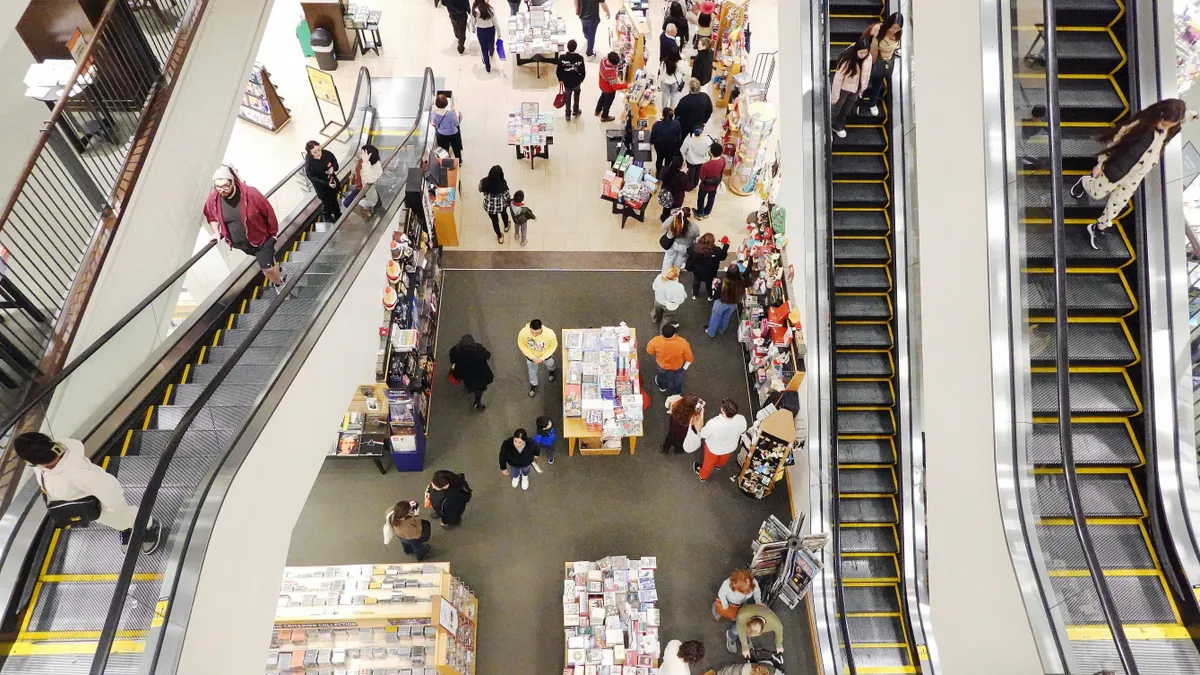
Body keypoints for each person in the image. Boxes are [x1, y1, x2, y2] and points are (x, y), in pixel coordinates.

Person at [1070, 99, 1198, 249]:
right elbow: (1115, 144)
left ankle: (1098, 228)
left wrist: (1196, 115)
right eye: (1163, 124)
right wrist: (1100, 164)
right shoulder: (1139, 126)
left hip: (1136, 176)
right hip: (1118, 169)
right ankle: (1085, 182)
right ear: (1159, 115)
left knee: (1118, 204)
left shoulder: (1173, 122)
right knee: (1097, 193)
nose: (1164, 128)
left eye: (1169, 126)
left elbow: (1187, 116)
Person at [15, 432, 163, 554]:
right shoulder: (44, 462)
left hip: (104, 505)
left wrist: (114, 509)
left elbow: (110, 490)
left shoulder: (79, 473)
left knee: (124, 516)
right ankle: (125, 528)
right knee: (111, 521)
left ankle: (150, 525)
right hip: (85, 503)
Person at [203, 165, 287, 293]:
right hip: (242, 244)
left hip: (262, 240)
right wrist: (216, 232)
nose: (222, 190)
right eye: (218, 187)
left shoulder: (250, 193)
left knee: (267, 269)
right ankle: (277, 269)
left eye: (225, 186)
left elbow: (268, 212)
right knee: (267, 263)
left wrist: (273, 234)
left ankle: (279, 284)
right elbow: (210, 215)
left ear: (232, 182)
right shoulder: (214, 198)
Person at [860, 12, 903, 116]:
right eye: (892, 28)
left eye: (897, 29)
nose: (894, 31)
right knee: (863, 82)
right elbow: (864, 38)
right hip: (871, 61)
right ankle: (858, 102)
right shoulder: (877, 30)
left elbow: (896, 45)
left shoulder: (898, 34)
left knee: (877, 83)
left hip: (884, 63)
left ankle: (872, 103)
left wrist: (896, 50)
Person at [695, 398, 748, 481]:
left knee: (708, 464)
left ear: (723, 410)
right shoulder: (741, 419)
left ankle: (703, 476)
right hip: (730, 447)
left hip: (713, 449)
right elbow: (743, 430)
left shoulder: (714, 423)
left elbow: (703, 434)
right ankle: (719, 465)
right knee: (724, 458)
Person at [830, 39, 872, 138]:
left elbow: (867, 73)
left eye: (865, 52)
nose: (863, 55)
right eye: (861, 52)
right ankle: (827, 130)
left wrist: (862, 88)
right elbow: (837, 80)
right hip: (843, 90)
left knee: (846, 109)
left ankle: (838, 126)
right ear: (856, 50)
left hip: (856, 90)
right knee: (836, 109)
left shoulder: (868, 58)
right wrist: (835, 97)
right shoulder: (847, 60)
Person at [448, 334, 494, 410]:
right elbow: (488, 355)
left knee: (469, 383)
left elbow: (452, 361)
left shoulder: (455, 351)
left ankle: (468, 387)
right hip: (480, 374)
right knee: (479, 389)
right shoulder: (479, 350)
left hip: (465, 374)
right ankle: (477, 404)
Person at [646, 323, 693, 395]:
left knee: (662, 376)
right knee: (678, 378)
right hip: (677, 365)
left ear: (662, 332)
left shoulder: (655, 340)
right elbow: (689, 357)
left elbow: (650, 351)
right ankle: (677, 392)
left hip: (662, 364)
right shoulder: (683, 342)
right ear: (674, 333)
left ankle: (662, 387)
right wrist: (685, 367)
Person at [518, 318, 559, 396]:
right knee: (532, 371)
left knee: (550, 364)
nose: (534, 335)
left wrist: (542, 358)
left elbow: (553, 346)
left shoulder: (549, 334)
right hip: (531, 357)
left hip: (545, 356)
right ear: (530, 328)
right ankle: (533, 385)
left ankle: (552, 371)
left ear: (541, 328)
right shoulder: (523, 332)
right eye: (532, 332)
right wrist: (532, 356)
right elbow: (522, 344)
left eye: (537, 333)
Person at [304, 140, 342, 221]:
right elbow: (313, 178)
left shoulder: (327, 154)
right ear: (310, 153)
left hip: (332, 182)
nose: (318, 153)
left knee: (333, 199)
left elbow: (335, 164)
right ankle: (328, 215)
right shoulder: (309, 164)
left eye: (319, 149)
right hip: (322, 188)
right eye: (314, 152)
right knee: (327, 202)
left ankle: (336, 214)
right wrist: (327, 184)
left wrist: (333, 168)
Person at [687, 233, 729, 299]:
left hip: (697, 271)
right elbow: (723, 256)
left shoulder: (695, 248)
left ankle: (695, 294)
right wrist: (725, 246)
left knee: (696, 283)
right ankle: (710, 296)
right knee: (709, 284)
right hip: (711, 272)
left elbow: (688, 252)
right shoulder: (716, 250)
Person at [706, 265, 743, 337]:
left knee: (715, 317)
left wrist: (715, 286)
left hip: (721, 303)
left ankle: (711, 332)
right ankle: (722, 329)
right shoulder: (741, 281)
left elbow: (716, 295)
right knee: (726, 316)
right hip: (733, 303)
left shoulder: (723, 284)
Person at [343, 144, 383, 210]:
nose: (360, 154)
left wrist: (366, 162)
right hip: (359, 187)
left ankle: (372, 211)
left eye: (363, 153)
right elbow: (355, 166)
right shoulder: (360, 160)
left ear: (369, 155)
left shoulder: (376, 166)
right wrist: (353, 174)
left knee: (348, 203)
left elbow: (369, 180)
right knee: (346, 203)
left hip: (366, 189)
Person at [479, 165, 512, 244]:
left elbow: (480, 189)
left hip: (489, 207)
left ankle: (500, 237)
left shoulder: (484, 181)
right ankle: (506, 226)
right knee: (504, 215)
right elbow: (507, 197)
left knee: (495, 221)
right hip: (501, 205)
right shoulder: (502, 185)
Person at [661, 205, 699, 272]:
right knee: (679, 261)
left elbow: (663, 227)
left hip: (672, 244)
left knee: (668, 258)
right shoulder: (694, 226)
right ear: (689, 215)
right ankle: (675, 274)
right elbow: (697, 237)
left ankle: (664, 274)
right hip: (684, 247)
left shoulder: (673, 220)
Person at [557, 40, 587, 120]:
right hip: (576, 82)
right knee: (577, 95)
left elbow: (558, 70)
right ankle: (576, 111)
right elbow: (583, 71)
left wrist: (560, 79)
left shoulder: (562, 58)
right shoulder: (580, 58)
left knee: (567, 97)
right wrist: (581, 79)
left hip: (566, 82)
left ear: (567, 47)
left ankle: (567, 114)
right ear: (575, 48)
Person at [650, 109, 684, 177]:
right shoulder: (676, 124)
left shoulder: (657, 125)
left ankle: (658, 173)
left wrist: (652, 142)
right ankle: (665, 173)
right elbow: (679, 138)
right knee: (668, 161)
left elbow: (652, 137)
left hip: (660, 147)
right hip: (671, 147)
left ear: (663, 115)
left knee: (659, 159)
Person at [695, 142, 725, 218]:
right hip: (715, 186)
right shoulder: (723, 161)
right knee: (711, 199)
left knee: (701, 199)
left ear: (710, 153)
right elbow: (722, 171)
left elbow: (702, 177)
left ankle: (699, 213)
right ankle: (707, 213)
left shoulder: (706, 165)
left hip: (704, 186)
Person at [432, 94, 464, 164]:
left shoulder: (434, 114)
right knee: (456, 149)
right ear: (446, 103)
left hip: (442, 135)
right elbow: (456, 123)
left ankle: (447, 163)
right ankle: (459, 162)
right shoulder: (451, 114)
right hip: (453, 134)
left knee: (444, 150)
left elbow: (434, 124)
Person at [595, 52, 622, 122]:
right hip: (609, 90)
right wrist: (627, 85)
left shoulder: (603, 60)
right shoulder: (610, 71)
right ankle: (604, 116)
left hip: (602, 84)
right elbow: (615, 87)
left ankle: (597, 110)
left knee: (602, 97)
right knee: (607, 103)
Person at [473, 0, 498, 72]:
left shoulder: (475, 9)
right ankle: (491, 51)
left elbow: (473, 20)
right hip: (490, 29)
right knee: (491, 43)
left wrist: (473, 27)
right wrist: (499, 32)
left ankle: (487, 66)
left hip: (480, 30)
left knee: (484, 49)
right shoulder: (490, 9)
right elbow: (495, 21)